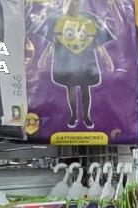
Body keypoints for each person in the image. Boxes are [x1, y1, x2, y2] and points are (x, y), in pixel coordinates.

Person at [39, 0, 115, 129]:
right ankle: (74, 116)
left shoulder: (88, 19)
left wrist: (107, 58)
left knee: (85, 89)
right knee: (71, 89)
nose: (74, 6)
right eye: (71, 4)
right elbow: (54, 40)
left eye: (76, 4)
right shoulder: (60, 20)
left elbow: (95, 40)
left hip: (85, 60)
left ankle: (86, 117)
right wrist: (44, 56)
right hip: (67, 60)